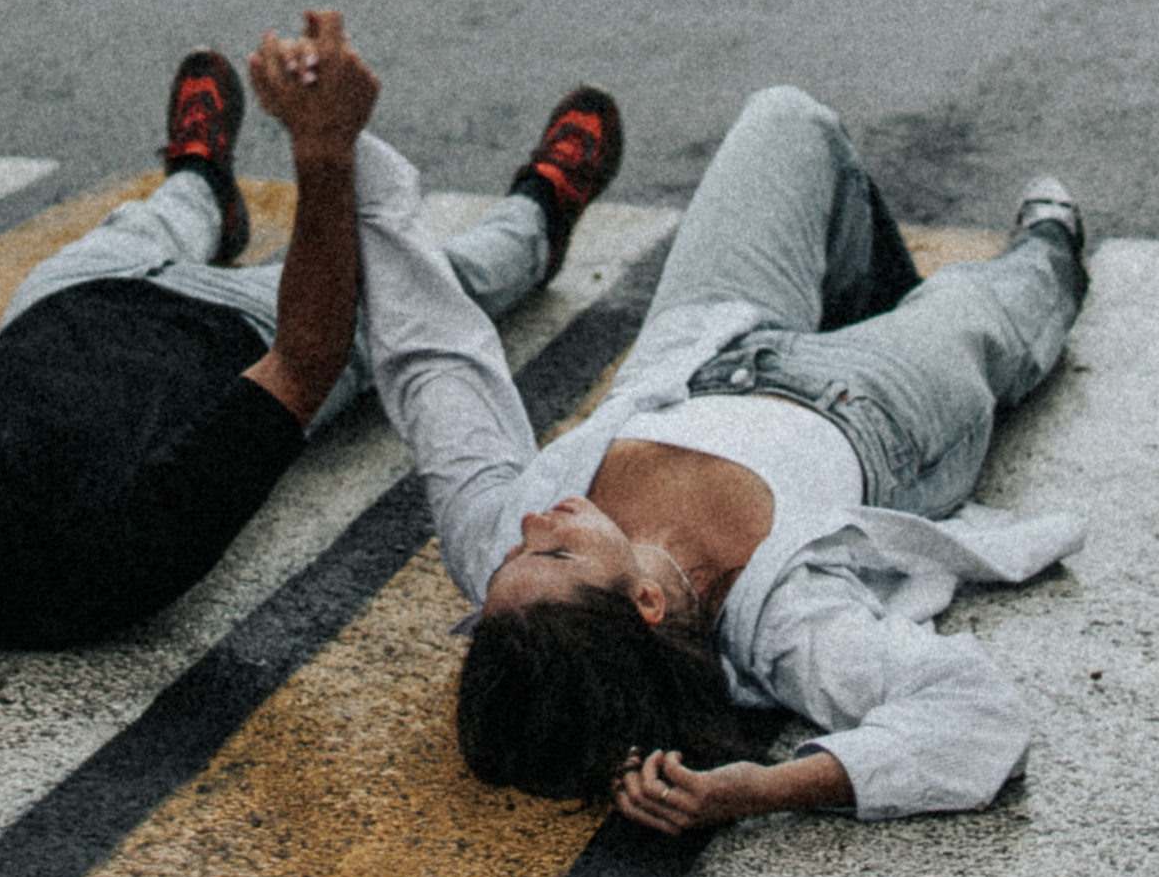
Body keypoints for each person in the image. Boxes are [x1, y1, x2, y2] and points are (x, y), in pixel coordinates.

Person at [0, 19, 627, 715]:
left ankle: (204, 180)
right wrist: (325, 156)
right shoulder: (104, 562)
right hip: (247, 332)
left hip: (68, 300)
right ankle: (539, 216)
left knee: (156, 215)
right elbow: (302, 363)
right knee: (443, 280)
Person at [354, 82, 1088, 832]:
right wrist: (766, 789)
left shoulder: (497, 551)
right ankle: (1054, 249)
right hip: (883, 413)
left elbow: (437, 362)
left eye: (518, 549)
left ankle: (865, 284)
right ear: (646, 603)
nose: (539, 520)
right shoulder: (789, 629)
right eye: (560, 553)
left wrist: (340, 150)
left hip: (708, 343)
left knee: (788, 119)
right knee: (999, 298)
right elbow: (977, 713)